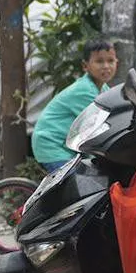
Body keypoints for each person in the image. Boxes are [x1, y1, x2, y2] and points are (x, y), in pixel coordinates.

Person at [32, 37, 118, 172]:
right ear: (85, 66)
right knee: (79, 184)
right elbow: (100, 123)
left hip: (69, 147)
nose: (106, 66)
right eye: (99, 61)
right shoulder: (85, 90)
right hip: (53, 146)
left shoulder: (103, 88)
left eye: (110, 61)